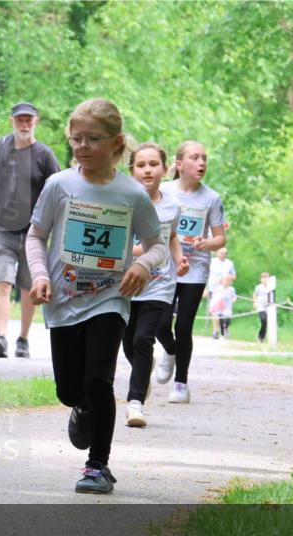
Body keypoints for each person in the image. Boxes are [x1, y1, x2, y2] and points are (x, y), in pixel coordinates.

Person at [27, 98, 167, 494]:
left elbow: (157, 244)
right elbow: (36, 236)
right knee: (70, 390)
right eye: (76, 139)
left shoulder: (132, 193)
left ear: (116, 142)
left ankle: (97, 466)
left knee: (99, 379)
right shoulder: (60, 185)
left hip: (110, 298)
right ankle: (82, 405)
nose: (82, 147)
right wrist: (40, 274)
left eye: (93, 139)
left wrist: (143, 265)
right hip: (63, 299)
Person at [0, 102, 61, 358]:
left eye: (29, 120)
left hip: (34, 232)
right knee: (3, 281)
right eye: (20, 120)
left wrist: (55, 229)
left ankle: (23, 339)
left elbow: (58, 194)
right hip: (1, 227)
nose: (24, 124)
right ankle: (1, 337)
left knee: (28, 287)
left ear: (36, 121)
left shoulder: (45, 155)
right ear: (11, 121)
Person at [153, 141, 228, 403]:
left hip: (195, 269)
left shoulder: (211, 198)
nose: (202, 163)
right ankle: (170, 350)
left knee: (184, 326)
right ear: (179, 164)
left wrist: (206, 242)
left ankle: (181, 383)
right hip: (165, 265)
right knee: (161, 324)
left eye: (204, 158)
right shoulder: (163, 190)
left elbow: (220, 239)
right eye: (195, 158)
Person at [122, 142, 188, 428]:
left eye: (153, 164)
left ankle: (134, 404)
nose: (147, 170)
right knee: (128, 343)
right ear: (132, 171)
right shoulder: (122, 201)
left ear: (166, 169)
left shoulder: (172, 206)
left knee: (142, 340)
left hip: (159, 285)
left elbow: (171, 236)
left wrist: (180, 258)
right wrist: (138, 252)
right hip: (126, 284)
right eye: (140, 165)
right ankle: (143, 367)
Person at [206, 247, 236, 338]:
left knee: (225, 312)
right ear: (217, 253)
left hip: (225, 291)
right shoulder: (212, 262)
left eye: (225, 253)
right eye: (221, 252)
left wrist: (227, 278)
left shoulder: (229, 263)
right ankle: (215, 331)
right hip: (213, 289)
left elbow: (234, 276)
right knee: (214, 311)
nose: (223, 254)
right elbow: (205, 274)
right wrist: (205, 288)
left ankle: (225, 327)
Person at [209, 274, 237, 338]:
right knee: (219, 319)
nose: (227, 282)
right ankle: (218, 333)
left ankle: (225, 328)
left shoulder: (231, 289)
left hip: (228, 308)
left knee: (228, 320)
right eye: (226, 280)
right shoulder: (218, 289)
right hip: (219, 308)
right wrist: (213, 306)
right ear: (222, 281)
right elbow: (214, 298)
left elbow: (234, 297)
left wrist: (234, 299)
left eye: (229, 280)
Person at [253, 272, 273, 343]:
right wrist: (255, 303)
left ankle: (262, 336)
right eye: (263, 278)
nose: (265, 280)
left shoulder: (271, 287)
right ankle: (260, 336)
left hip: (268, 307)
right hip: (260, 307)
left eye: (266, 278)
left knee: (266, 322)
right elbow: (255, 295)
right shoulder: (258, 287)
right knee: (263, 319)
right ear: (261, 279)